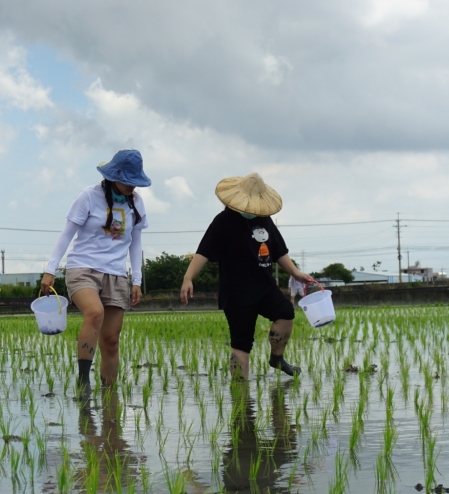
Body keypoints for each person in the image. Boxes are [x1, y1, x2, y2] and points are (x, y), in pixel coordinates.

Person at [180, 173, 314, 380]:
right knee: (241, 343)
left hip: (265, 286)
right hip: (236, 292)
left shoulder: (264, 219)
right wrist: (188, 278)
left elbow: (278, 251)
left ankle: (276, 358)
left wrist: (296, 273)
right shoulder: (223, 221)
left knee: (286, 312)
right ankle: (240, 396)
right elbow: (204, 251)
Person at [40, 149, 149, 392]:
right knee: (94, 313)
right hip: (83, 269)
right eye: (128, 180)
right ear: (114, 176)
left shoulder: (137, 202)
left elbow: (136, 242)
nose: (133, 186)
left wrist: (137, 280)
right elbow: (66, 234)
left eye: (136, 181)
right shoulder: (89, 196)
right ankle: (83, 382)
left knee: (111, 340)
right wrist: (50, 270)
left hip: (117, 274)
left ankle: (110, 396)